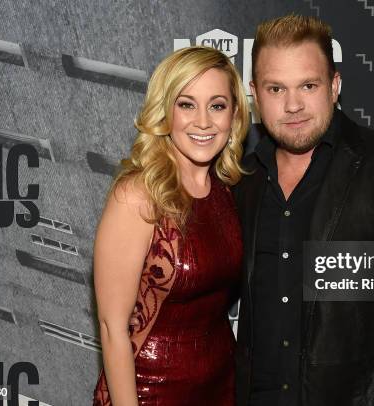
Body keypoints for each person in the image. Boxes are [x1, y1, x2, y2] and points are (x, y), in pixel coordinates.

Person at [232, 15, 374, 406]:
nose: (293, 105)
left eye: (308, 85)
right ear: (255, 94)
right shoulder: (243, 181)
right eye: (276, 88)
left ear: (334, 86)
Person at [92, 45, 249, 406]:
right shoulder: (137, 197)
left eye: (217, 105)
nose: (204, 121)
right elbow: (113, 329)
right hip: (150, 392)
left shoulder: (227, 192)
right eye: (187, 104)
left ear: (235, 115)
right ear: (166, 112)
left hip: (221, 386)